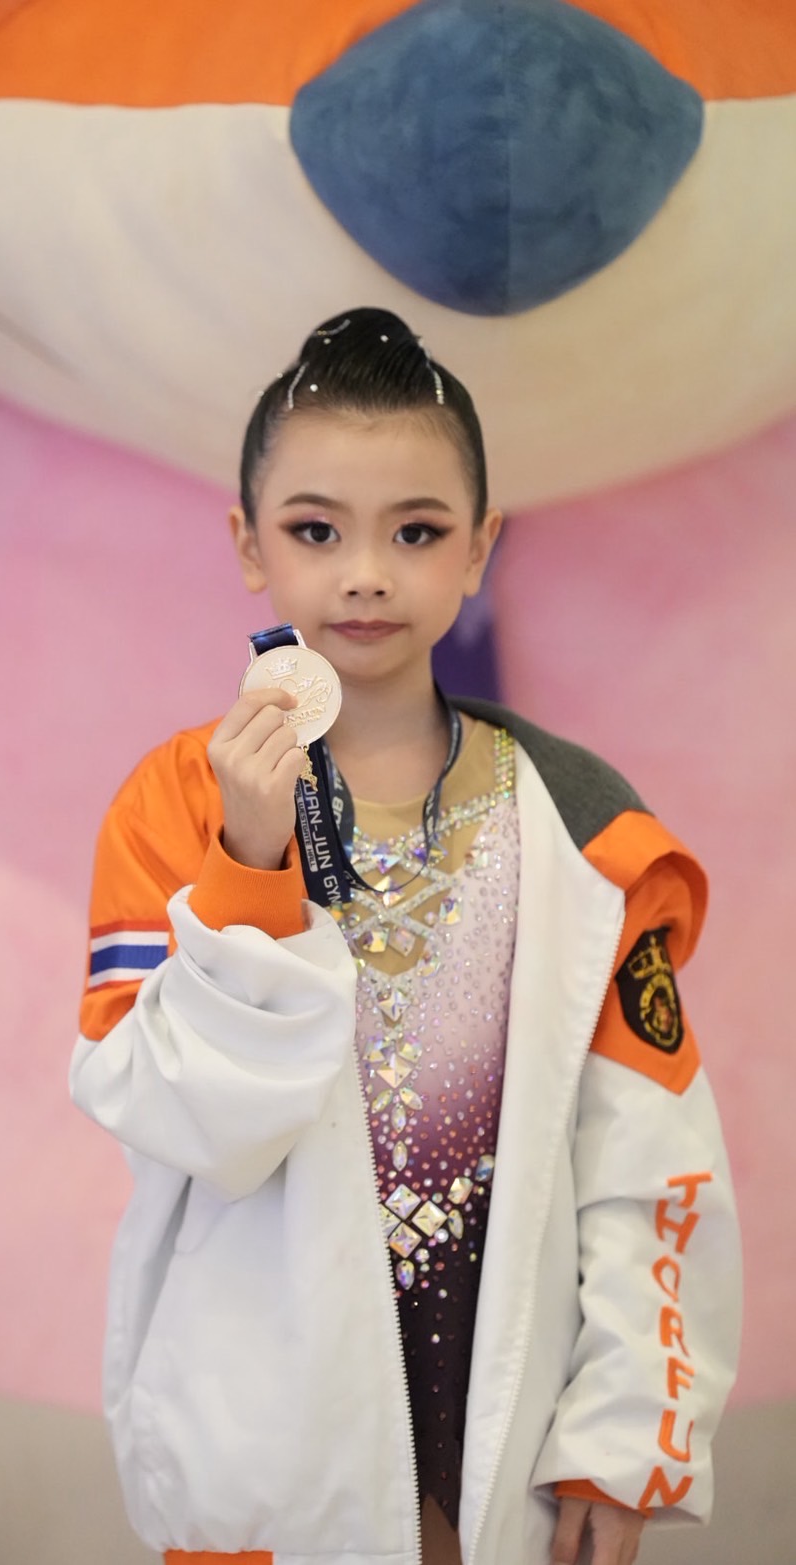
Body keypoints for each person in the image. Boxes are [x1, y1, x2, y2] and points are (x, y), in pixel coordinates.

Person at [69, 308, 740, 1565]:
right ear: (247, 543)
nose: (365, 573)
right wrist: (249, 863)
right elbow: (181, 1125)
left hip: (513, 1465)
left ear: (480, 546)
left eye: (416, 531)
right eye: (315, 529)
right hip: (263, 1473)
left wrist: (621, 1435)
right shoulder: (173, 807)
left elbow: (649, 1156)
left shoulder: (583, 829)